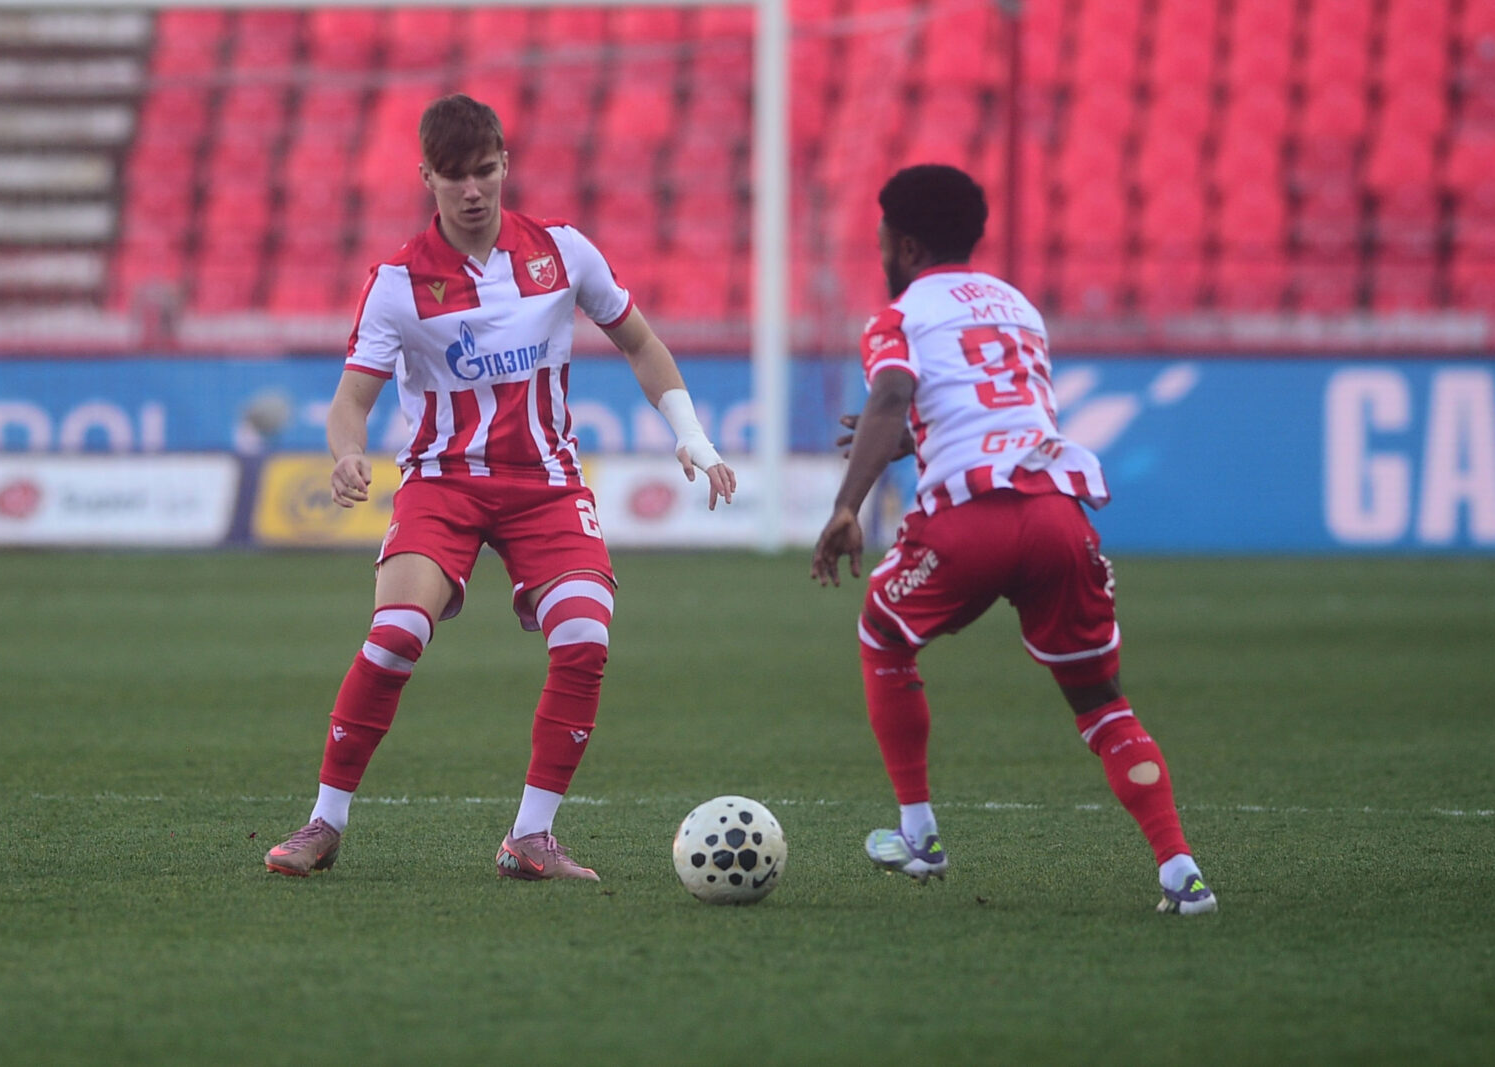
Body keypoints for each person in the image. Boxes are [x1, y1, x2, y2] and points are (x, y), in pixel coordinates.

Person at [265, 94, 736, 881]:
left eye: (485, 170)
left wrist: (692, 435)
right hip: (442, 481)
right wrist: (347, 454)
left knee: (585, 635)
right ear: (427, 178)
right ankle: (323, 822)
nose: (473, 190)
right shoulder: (398, 283)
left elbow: (641, 341)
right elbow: (350, 402)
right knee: (396, 634)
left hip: (545, 482)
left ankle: (531, 835)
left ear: (505, 164)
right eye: (455, 177)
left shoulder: (564, 254)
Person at [809, 164, 1215, 915]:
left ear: (902, 244)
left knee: (883, 638)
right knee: (1101, 704)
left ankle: (920, 833)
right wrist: (905, 442)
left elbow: (895, 393)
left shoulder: (895, 319)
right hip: (1058, 513)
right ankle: (1180, 870)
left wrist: (846, 504)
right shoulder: (1018, 307)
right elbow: (983, 409)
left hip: (970, 520)